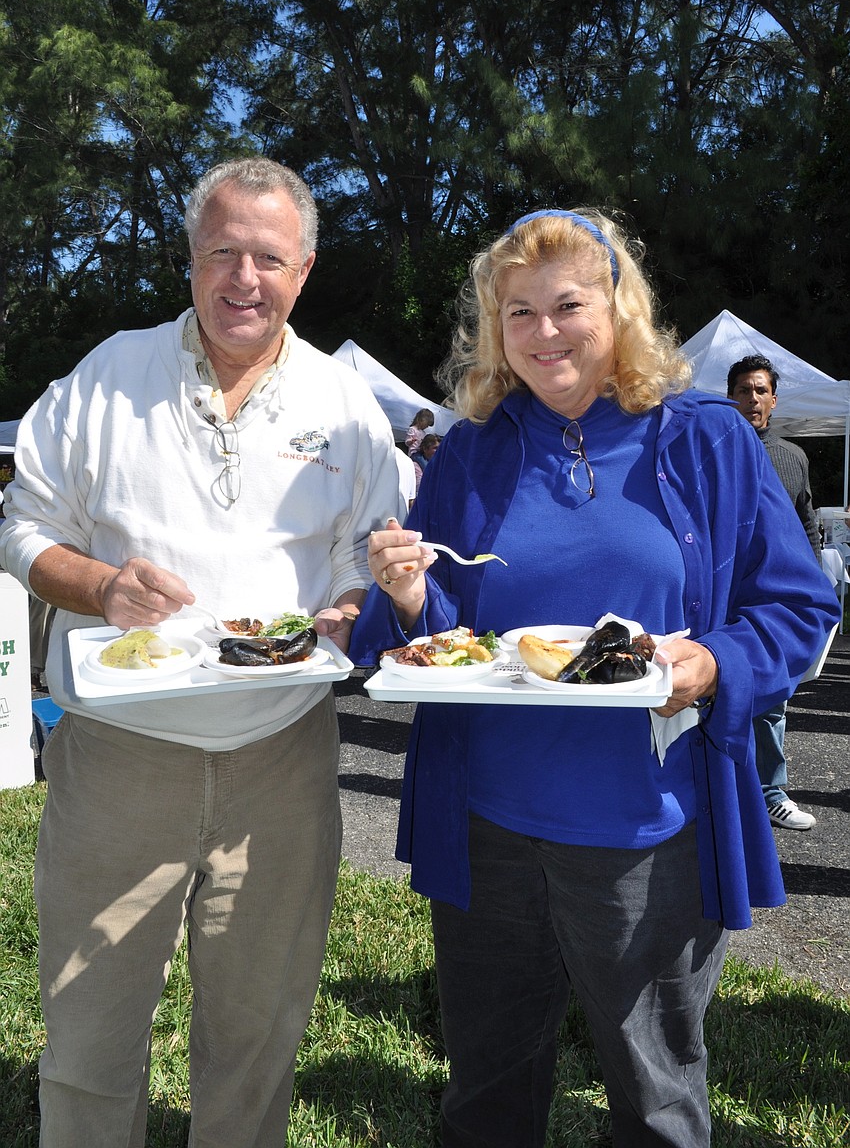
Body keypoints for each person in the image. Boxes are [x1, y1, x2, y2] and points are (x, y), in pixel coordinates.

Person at [350, 209, 839, 1148]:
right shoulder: (475, 448)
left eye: (567, 304)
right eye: (518, 312)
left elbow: (796, 607)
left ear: (618, 305)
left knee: (655, 1098)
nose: (543, 332)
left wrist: (714, 660)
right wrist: (411, 598)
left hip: (648, 831)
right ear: (495, 330)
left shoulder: (706, 437)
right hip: (490, 827)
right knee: (486, 1088)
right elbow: (448, 638)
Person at [0, 156, 399, 1148]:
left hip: (282, 757)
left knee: (257, 1039)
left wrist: (356, 597)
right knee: (91, 1041)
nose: (243, 278)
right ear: (190, 259)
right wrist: (99, 586)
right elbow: (21, 525)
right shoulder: (107, 376)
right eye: (222, 252)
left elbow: (369, 546)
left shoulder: (346, 404)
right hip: (120, 752)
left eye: (268, 257)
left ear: (303, 270)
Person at [727, 354, 821, 830]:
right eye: (744, 390)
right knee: (714, 694)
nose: (752, 399)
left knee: (772, 699)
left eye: (760, 391)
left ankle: (771, 791)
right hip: (721, 596)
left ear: (773, 400)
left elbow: (807, 524)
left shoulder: (793, 456)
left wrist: (816, 588)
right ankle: (721, 795)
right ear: (730, 398)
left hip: (774, 601)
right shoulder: (712, 449)